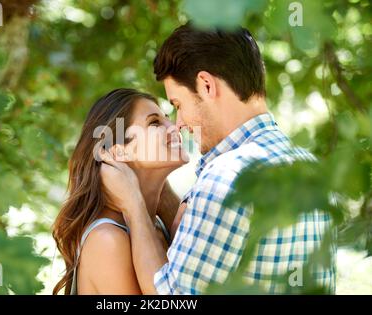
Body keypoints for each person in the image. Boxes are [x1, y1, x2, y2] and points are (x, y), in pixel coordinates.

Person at [99, 23, 336, 294]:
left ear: (207, 85)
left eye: (178, 105)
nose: (180, 123)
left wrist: (134, 206)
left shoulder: (227, 176)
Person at [52, 88, 187, 294]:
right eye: (154, 123)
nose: (176, 126)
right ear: (117, 152)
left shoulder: (158, 224)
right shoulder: (108, 240)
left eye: (167, 118)